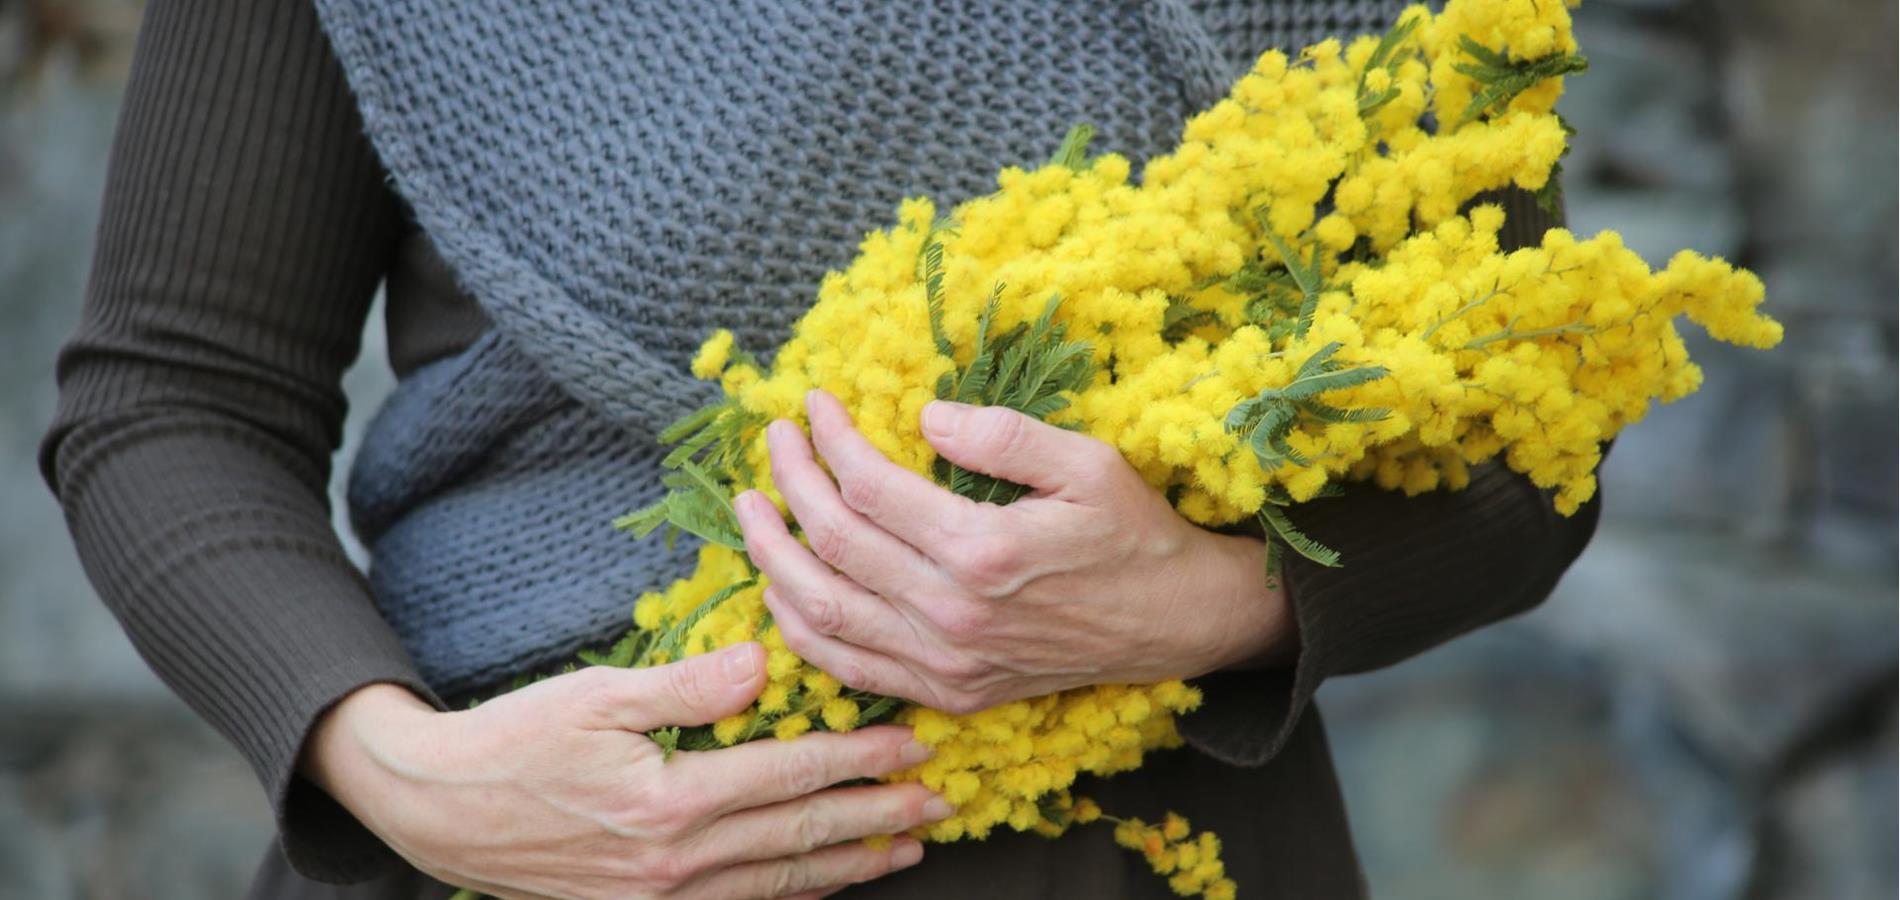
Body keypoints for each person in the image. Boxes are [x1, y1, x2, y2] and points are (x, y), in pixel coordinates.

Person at [40, 1, 1604, 897]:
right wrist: (410, 775)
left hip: (1123, 853)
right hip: (535, 842)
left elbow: (1521, 411)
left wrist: (1214, 598)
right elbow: (174, 397)